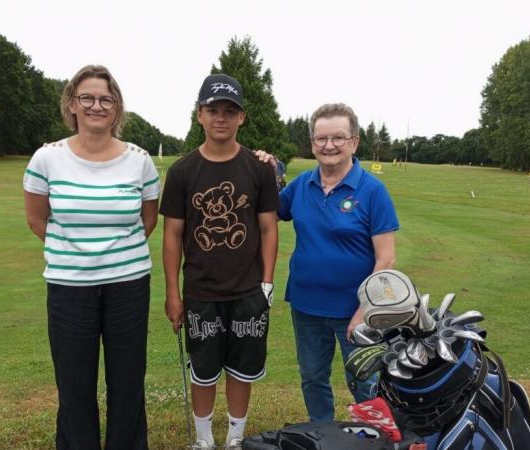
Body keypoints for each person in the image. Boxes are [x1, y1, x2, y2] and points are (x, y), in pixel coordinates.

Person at [23, 65, 160, 450]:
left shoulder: (140, 160)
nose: (96, 105)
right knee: (74, 383)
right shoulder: (46, 158)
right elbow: (37, 220)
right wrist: (78, 253)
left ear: (116, 107)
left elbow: (146, 221)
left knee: (128, 380)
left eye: (106, 99)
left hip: (128, 285)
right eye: (87, 97)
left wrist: (113, 254)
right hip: (69, 287)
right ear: (72, 104)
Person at [160, 73, 279, 450]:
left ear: (241, 117)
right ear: (200, 115)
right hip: (201, 291)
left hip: (247, 289)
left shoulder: (258, 169)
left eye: (230, 110)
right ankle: (204, 440)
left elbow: (268, 229)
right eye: (213, 110)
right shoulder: (182, 171)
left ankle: (235, 439)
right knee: (204, 371)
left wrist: (267, 283)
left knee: (242, 370)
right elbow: (172, 235)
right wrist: (173, 294)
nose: (221, 118)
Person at [262, 103, 399, 422]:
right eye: (321, 138)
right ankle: (323, 434)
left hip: (356, 311)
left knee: (365, 382)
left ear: (354, 141)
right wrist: (263, 166)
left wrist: (364, 310)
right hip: (306, 306)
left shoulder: (372, 190)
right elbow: (268, 211)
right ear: (312, 143)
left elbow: (386, 257)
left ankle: (377, 440)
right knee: (312, 377)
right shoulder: (301, 185)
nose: (329, 145)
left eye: (338, 137)